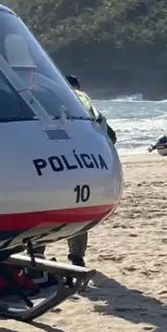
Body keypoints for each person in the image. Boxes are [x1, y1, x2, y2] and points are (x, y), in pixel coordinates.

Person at [64, 74, 116, 267]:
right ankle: (76, 256)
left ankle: (37, 255)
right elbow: (110, 135)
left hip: (58, 162)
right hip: (85, 164)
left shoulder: (53, 99)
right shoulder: (84, 102)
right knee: (77, 211)